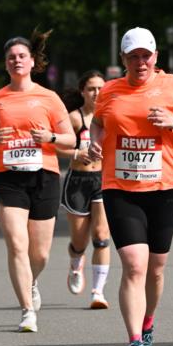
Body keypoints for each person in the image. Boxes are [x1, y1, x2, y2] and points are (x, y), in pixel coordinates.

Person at [89, 27, 173, 346]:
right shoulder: (109, 91)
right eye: (133, 56)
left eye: (146, 56)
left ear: (155, 57)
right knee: (135, 264)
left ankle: (148, 324)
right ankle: (135, 344)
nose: (140, 62)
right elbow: (98, 123)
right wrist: (95, 141)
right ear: (123, 59)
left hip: (163, 187)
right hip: (119, 188)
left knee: (156, 268)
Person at [0, 29, 75, 332]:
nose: (16, 61)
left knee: (40, 252)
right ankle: (26, 310)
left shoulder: (49, 98)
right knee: (17, 244)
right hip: (7, 178)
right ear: (5, 65)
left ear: (32, 61)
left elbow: (70, 141)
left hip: (44, 176)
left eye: (21, 56)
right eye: (11, 58)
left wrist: (50, 137)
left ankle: (32, 281)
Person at [60, 70, 110, 308]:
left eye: (101, 88)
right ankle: (76, 261)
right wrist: (77, 153)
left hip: (103, 180)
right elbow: (58, 147)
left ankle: (97, 292)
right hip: (78, 181)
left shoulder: (110, 116)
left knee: (101, 237)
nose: (97, 93)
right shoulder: (74, 118)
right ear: (83, 92)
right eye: (91, 88)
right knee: (79, 241)